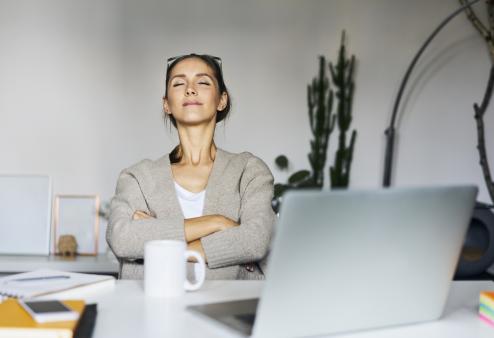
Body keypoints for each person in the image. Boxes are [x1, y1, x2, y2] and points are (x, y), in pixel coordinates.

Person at [107, 54, 275, 280]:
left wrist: (160, 240)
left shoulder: (249, 171)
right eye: (178, 83)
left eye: (203, 82)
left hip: (230, 309)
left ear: (222, 100)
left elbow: (255, 240)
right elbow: (123, 239)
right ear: (167, 104)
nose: (190, 89)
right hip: (151, 309)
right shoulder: (137, 177)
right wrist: (218, 222)